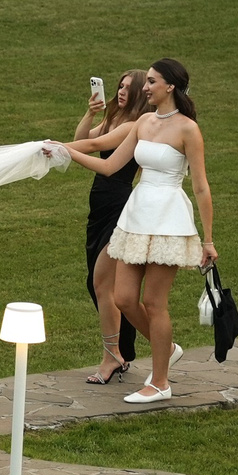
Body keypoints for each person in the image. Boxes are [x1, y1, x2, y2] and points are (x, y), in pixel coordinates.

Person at [57, 59, 215, 405]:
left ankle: (160, 382)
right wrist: (64, 150)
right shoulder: (143, 122)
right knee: (125, 298)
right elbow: (110, 164)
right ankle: (167, 349)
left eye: (152, 81)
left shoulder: (188, 129)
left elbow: (201, 187)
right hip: (136, 215)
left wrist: (208, 240)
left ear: (170, 86)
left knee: (153, 303)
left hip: (168, 217)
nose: (146, 87)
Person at [60, 69, 152, 384]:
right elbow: (84, 139)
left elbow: (93, 148)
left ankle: (112, 356)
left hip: (119, 206)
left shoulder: (131, 125)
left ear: (140, 93)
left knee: (102, 284)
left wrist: (55, 147)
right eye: (120, 86)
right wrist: (90, 113)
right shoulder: (115, 118)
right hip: (99, 205)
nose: (122, 91)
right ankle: (124, 350)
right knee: (98, 285)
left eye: (129, 87)